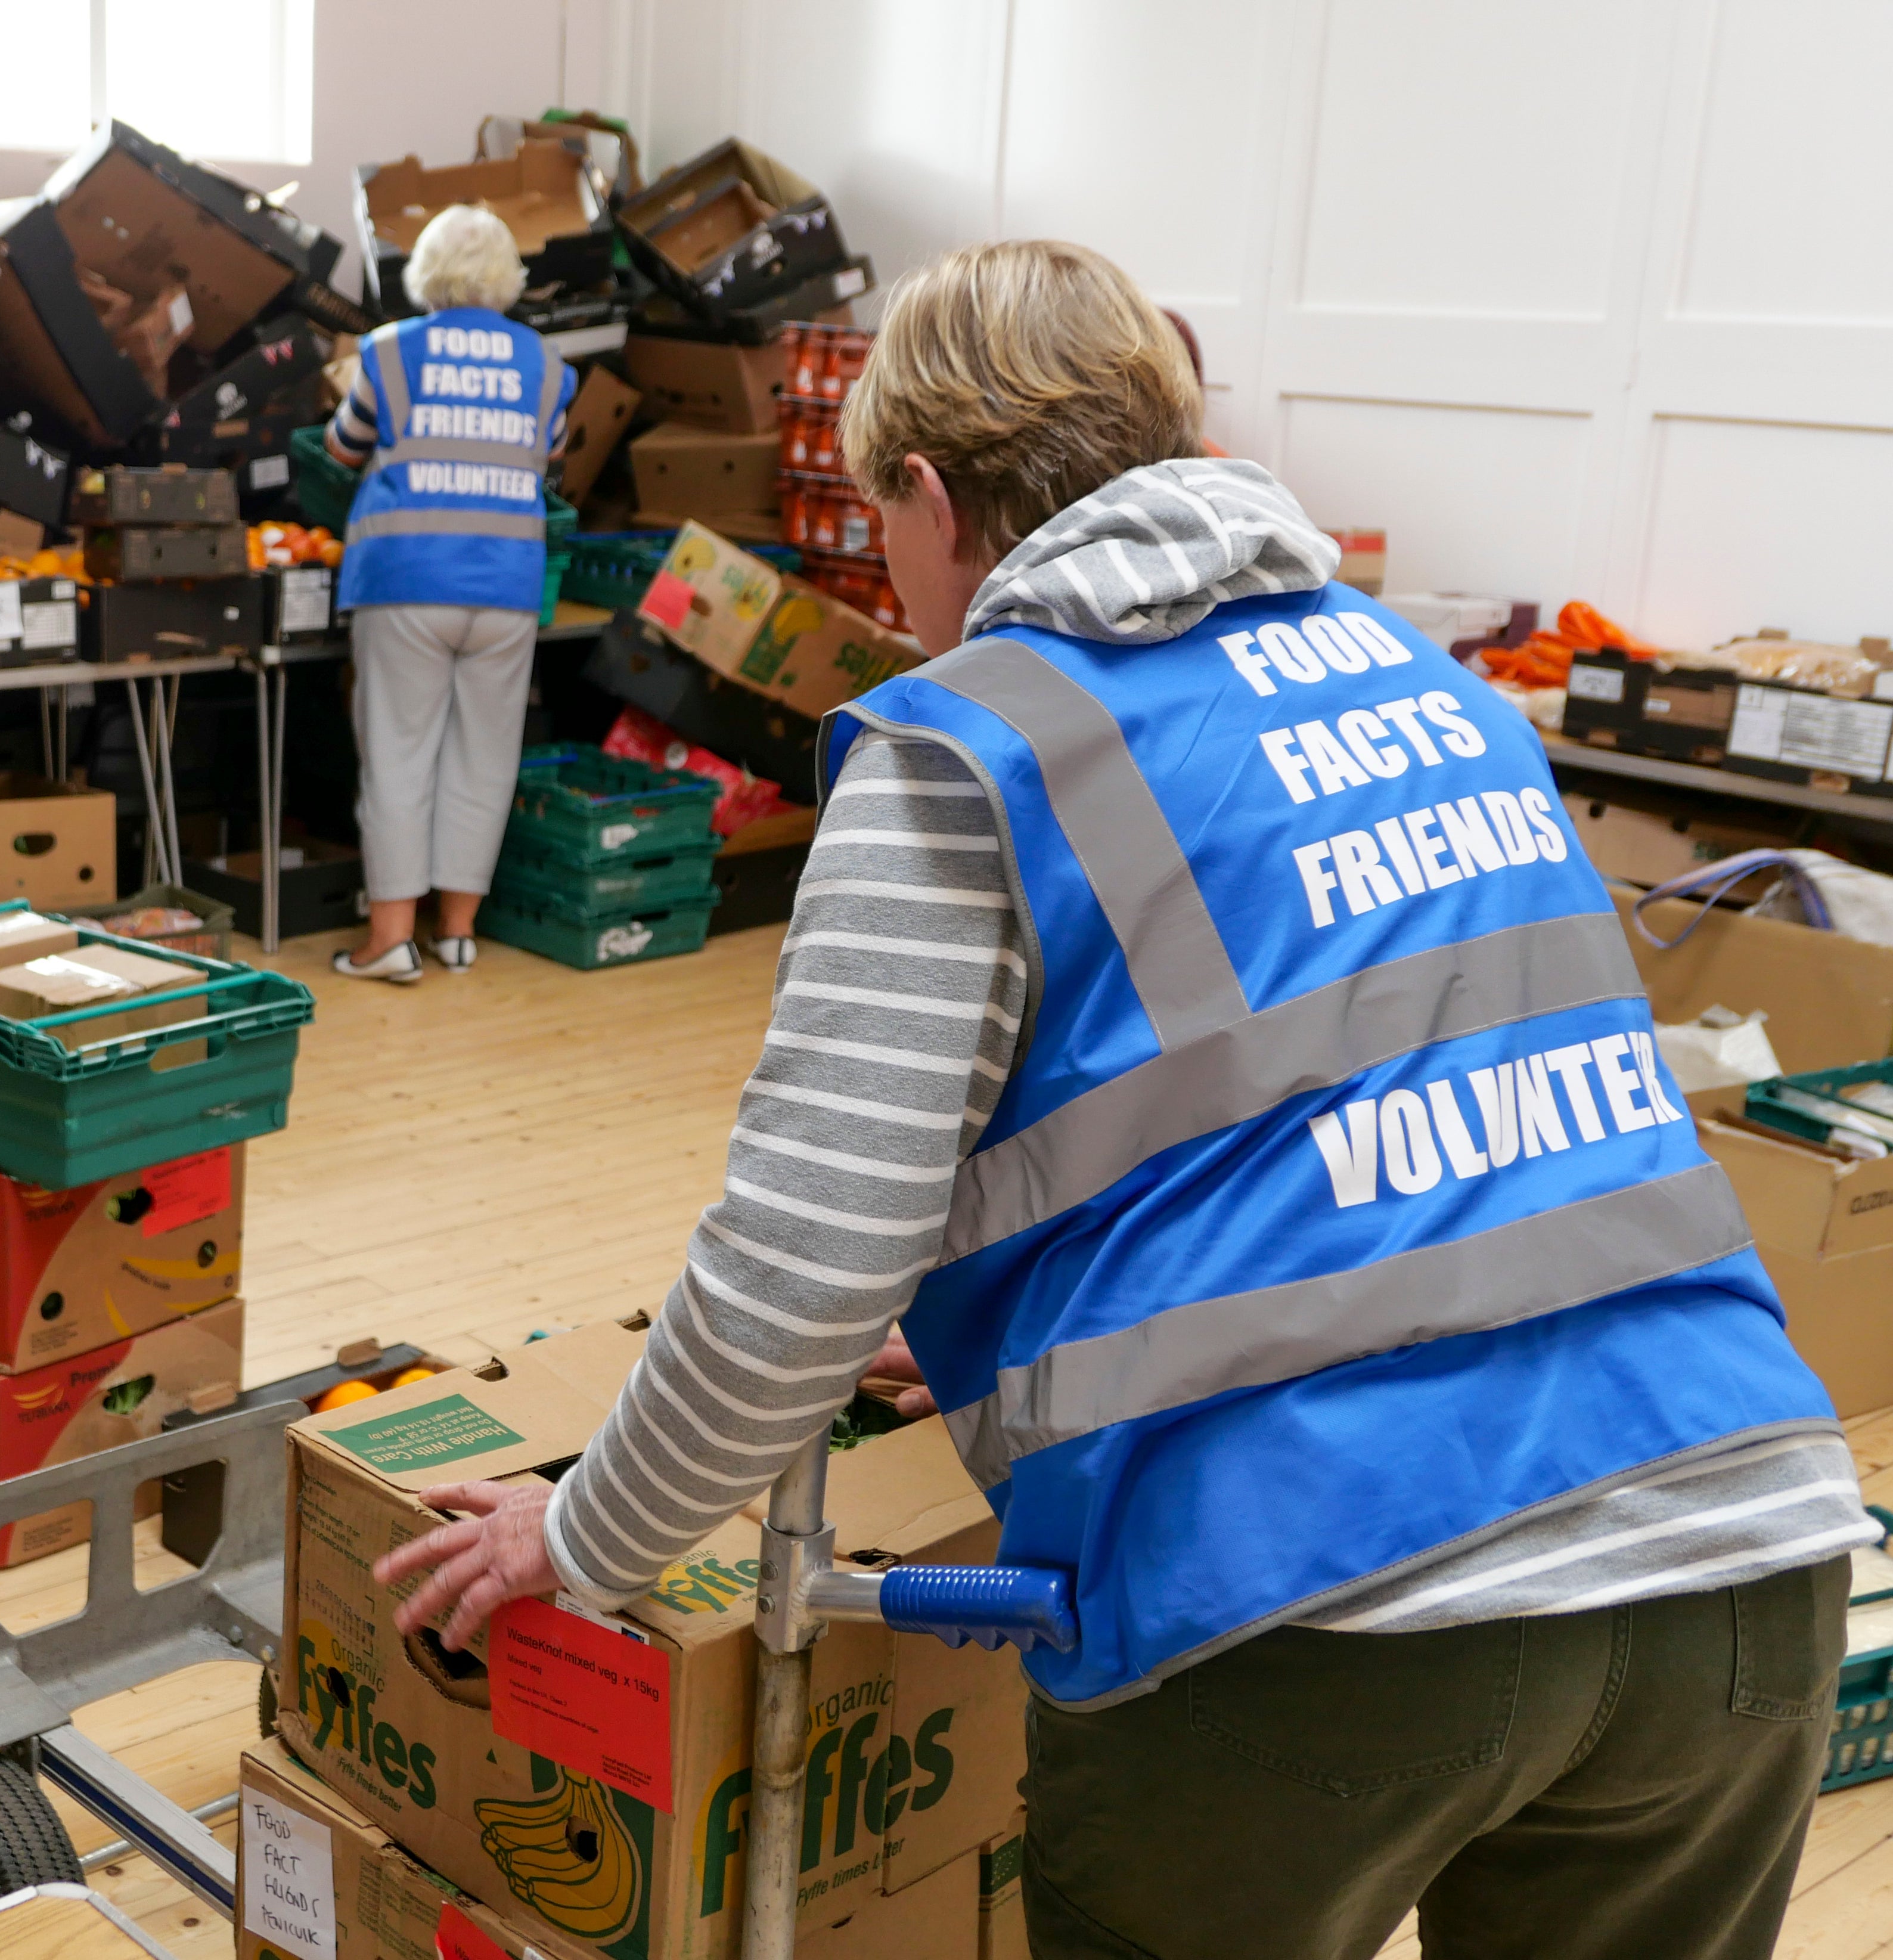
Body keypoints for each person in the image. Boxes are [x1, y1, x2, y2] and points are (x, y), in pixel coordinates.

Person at [375, 240, 1866, 1960]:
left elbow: (796, 1267)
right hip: (1744, 1539)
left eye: (885, 535)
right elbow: (1383, 1111)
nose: (900, 590)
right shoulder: (1441, 698)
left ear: (931, 496)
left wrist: (583, 1533)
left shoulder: (968, 747)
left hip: (1332, 1590)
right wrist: (1028, 1319)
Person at [322, 203, 575, 984]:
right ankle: (458, 932)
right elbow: (553, 457)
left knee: (400, 755)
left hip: (406, 579)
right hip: (506, 583)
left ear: (426, 271)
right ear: (507, 276)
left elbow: (342, 446)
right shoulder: (548, 365)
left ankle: (389, 940)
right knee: (486, 754)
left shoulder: (389, 352)